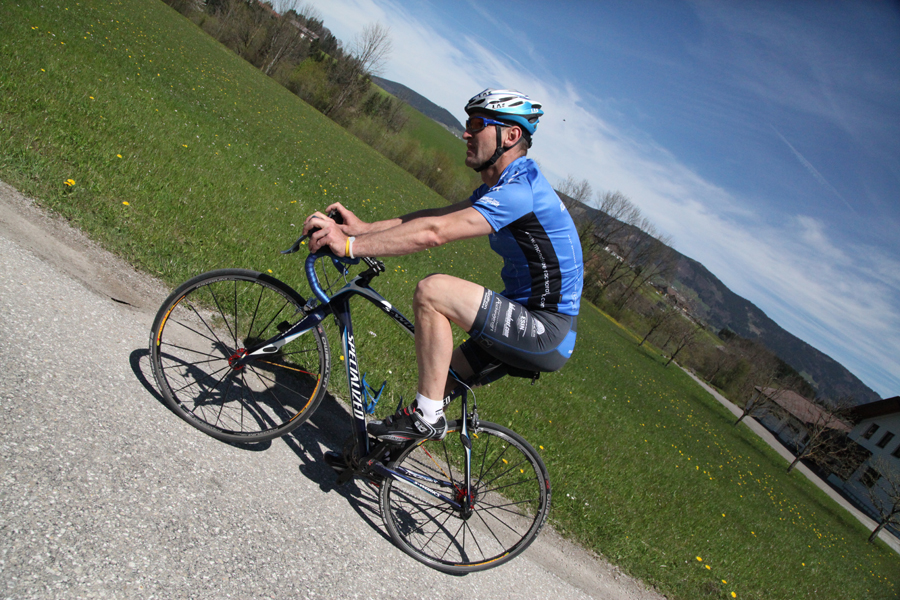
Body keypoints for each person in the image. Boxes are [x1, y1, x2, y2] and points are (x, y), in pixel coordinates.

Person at [303, 89, 583, 443]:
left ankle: (427, 420)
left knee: (433, 291)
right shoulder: (505, 184)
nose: (467, 133)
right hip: (524, 316)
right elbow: (434, 216)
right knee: (439, 380)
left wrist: (350, 246)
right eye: (467, 123)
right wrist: (362, 229)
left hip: (546, 330)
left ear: (511, 135)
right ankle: (377, 462)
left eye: (478, 124)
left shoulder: (521, 191)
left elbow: (435, 233)